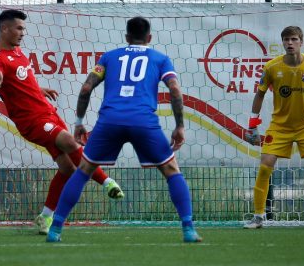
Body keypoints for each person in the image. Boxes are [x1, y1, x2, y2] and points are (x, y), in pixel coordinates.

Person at [46, 16, 201, 243]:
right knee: (171, 170)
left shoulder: (109, 57)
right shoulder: (160, 58)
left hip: (110, 121)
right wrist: (179, 126)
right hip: (143, 122)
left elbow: (87, 87)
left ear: (127, 37)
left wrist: (79, 122)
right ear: (149, 38)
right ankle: (188, 230)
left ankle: (55, 229)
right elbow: (175, 90)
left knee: (83, 170)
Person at [0, 9, 124, 235]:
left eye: (23, 28)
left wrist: (39, 90)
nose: (23, 33)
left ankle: (45, 217)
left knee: (67, 168)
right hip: (31, 121)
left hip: (47, 113)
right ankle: (107, 182)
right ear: (4, 29)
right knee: (69, 141)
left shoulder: (18, 52)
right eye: (19, 28)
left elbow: (20, 81)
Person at [244, 26, 304, 229]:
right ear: (282, 42)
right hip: (280, 126)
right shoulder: (271, 67)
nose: (290, 43)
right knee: (265, 162)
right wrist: (252, 125)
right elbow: (259, 94)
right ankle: (258, 216)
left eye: (294, 39)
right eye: (286, 40)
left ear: (301, 41)